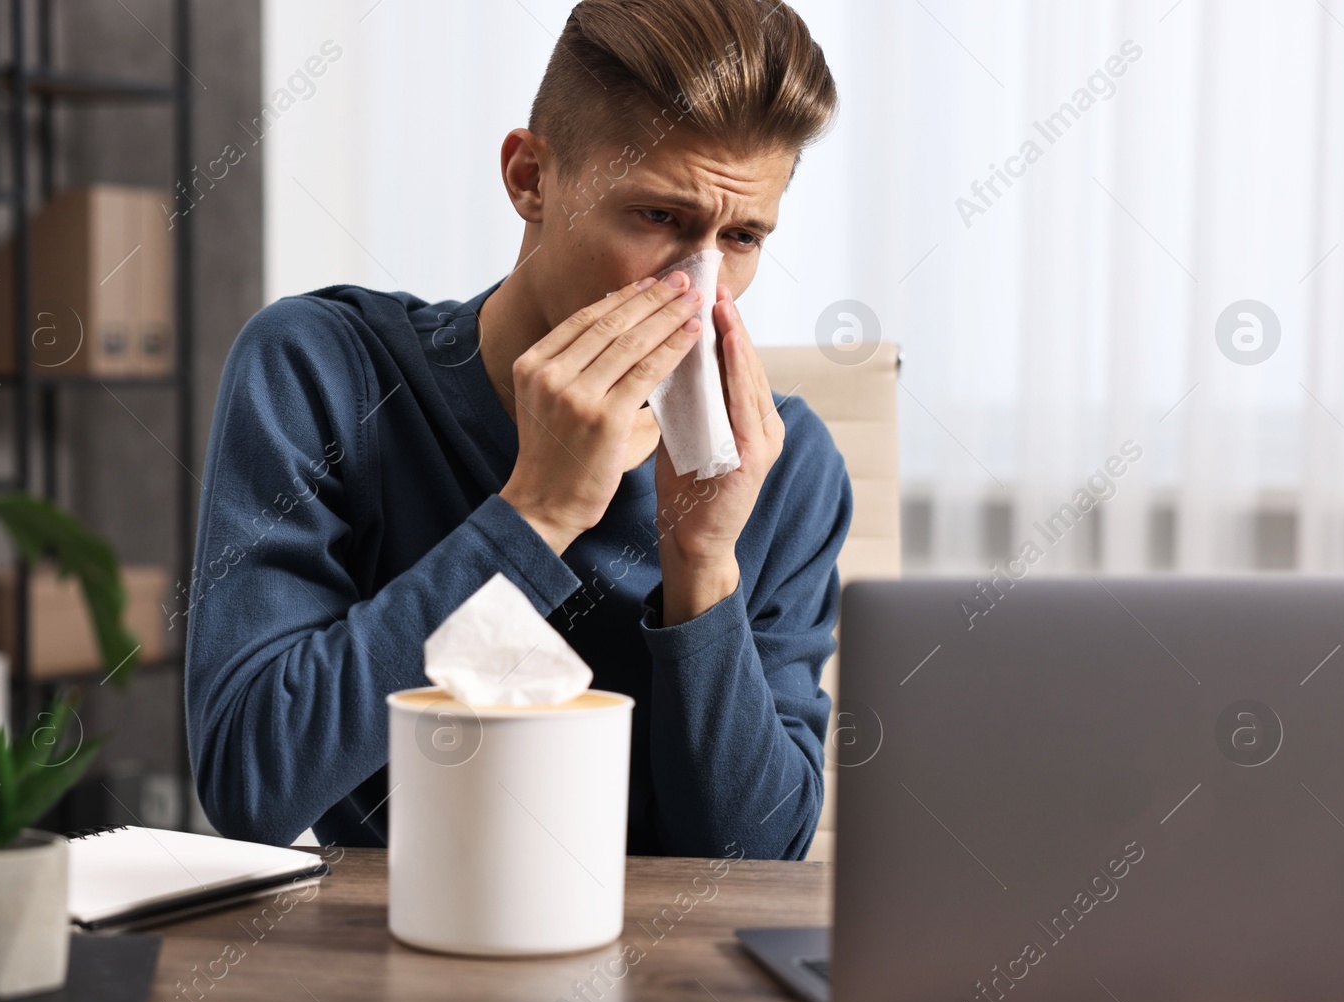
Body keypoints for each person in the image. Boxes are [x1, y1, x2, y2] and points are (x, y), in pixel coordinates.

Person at [185, 0, 849, 859]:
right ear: (530, 178)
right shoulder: (321, 369)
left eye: (744, 235)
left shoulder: (783, 469)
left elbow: (751, 864)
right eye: (660, 218)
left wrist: (702, 566)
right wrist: (534, 514)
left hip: (664, 980)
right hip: (392, 953)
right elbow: (252, 785)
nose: (701, 287)